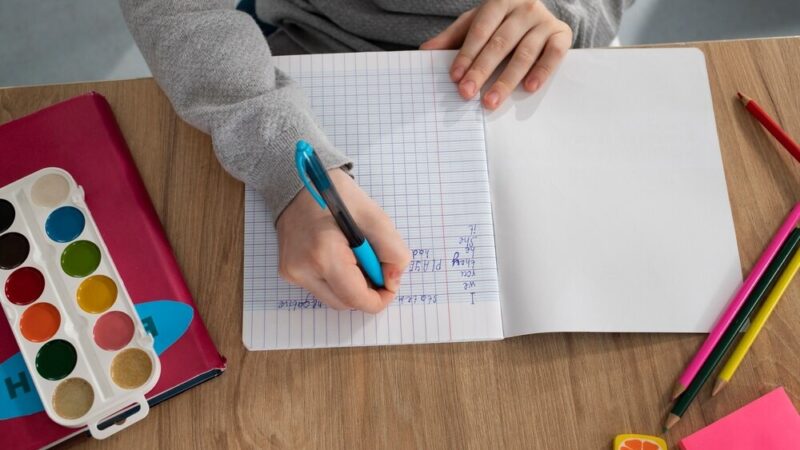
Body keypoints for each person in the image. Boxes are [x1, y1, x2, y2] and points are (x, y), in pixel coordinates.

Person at [120, 0, 630, 313]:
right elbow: (177, 9)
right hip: (304, 62)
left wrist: (567, 13)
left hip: (544, 55)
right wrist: (280, 157)